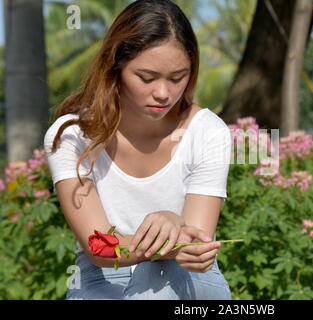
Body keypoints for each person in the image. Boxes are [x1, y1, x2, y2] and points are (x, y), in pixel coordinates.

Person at [43, 0, 232, 300]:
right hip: (102, 275)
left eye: (177, 77)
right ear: (114, 68)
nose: (163, 93)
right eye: (146, 78)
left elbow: (195, 242)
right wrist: (164, 239)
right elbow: (99, 247)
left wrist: (177, 225)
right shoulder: (73, 136)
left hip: (185, 274)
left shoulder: (208, 131)